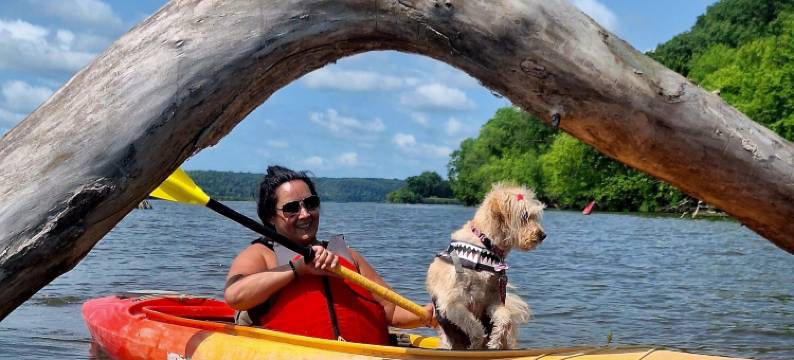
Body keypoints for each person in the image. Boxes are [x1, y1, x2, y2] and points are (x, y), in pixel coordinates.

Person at [224, 165, 435, 345]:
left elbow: (393, 310)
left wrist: (427, 315)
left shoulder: (346, 255)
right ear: (271, 217)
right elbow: (235, 296)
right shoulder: (261, 254)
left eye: (311, 203)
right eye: (291, 208)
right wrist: (298, 269)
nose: (305, 214)